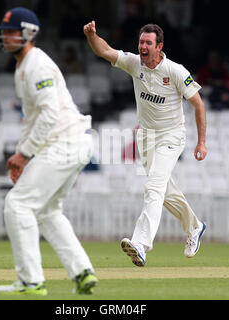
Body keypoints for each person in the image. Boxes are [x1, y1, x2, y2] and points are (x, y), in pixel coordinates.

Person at [0, 7, 98, 296]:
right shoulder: (23, 67)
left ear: (28, 33)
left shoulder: (37, 64)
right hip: (70, 143)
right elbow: (32, 119)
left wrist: (25, 154)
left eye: (12, 32)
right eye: (4, 32)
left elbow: (50, 114)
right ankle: (82, 273)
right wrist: (20, 156)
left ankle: (31, 281)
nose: (6, 37)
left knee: (17, 205)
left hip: (66, 141)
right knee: (48, 211)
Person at [84, 21, 207, 267]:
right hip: (147, 137)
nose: (143, 46)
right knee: (163, 191)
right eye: (141, 42)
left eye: (148, 43)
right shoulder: (133, 63)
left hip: (171, 137)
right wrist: (92, 35)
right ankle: (195, 226)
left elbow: (198, 105)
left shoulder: (175, 71)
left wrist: (201, 142)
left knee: (152, 188)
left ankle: (141, 244)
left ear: (159, 46)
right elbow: (104, 50)